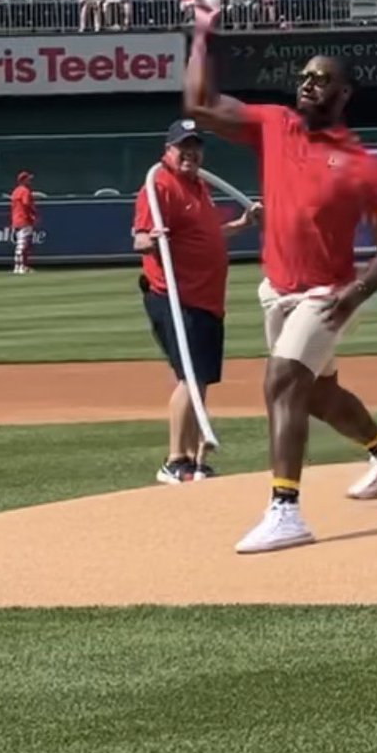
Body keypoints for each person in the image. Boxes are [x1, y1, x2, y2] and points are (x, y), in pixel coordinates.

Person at [183, 0, 377, 554]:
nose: (309, 85)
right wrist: (199, 33)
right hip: (279, 291)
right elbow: (199, 102)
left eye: (322, 79)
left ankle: (285, 510)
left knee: (281, 382)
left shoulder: (365, 166)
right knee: (317, 394)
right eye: (304, 77)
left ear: (344, 95)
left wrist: (356, 293)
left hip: (327, 295)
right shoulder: (275, 125)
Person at [132, 120, 262, 485]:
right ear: (168, 149)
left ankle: (191, 460)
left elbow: (205, 235)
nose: (190, 153)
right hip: (177, 296)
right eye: (182, 146)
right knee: (190, 377)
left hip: (206, 298)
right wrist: (153, 239)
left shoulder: (198, 185)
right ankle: (174, 459)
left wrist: (242, 224)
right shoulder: (158, 185)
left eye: (195, 146)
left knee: (200, 379)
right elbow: (140, 239)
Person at [10, 170, 38, 275]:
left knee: (20, 245)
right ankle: (22, 267)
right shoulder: (25, 191)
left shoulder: (15, 191)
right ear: (23, 180)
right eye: (28, 179)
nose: (30, 181)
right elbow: (27, 204)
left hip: (16, 220)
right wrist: (34, 214)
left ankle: (18, 267)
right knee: (23, 245)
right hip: (24, 220)